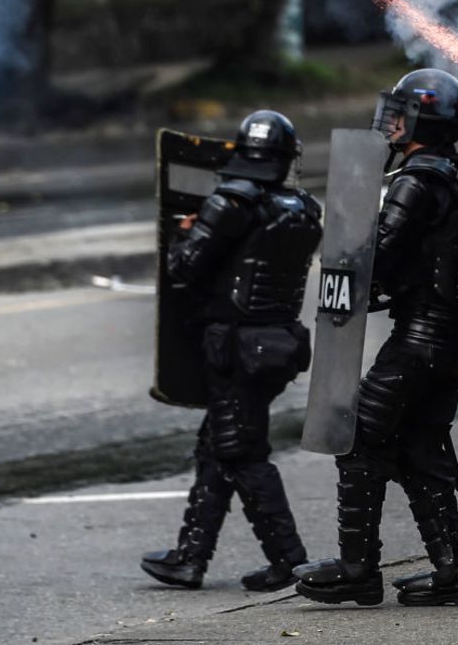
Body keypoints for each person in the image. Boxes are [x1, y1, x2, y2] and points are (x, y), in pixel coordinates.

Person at [293, 69, 458, 607]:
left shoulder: (416, 180)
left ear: (422, 120)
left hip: (420, 341)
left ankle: (359, 569)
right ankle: (456, 575)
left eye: (401, 111)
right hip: (452, 343)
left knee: (357, 436)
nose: (392, 121)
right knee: (420, 450)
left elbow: (375, 257)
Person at [141, 110, 322, 592]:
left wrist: (185, 229)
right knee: (217, 448)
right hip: (276, 344)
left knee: (241, 454)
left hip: (236, 347)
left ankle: (290, 560)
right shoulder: (302, 207)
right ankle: (190, 557)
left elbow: (185, 268)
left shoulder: (231, 202)